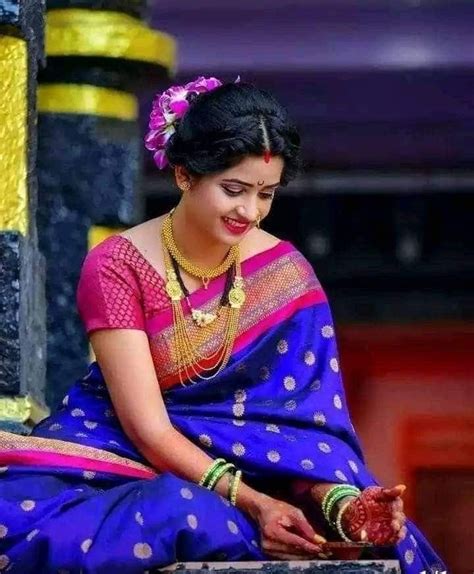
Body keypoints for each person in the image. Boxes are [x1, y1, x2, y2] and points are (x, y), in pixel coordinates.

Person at [0, 77, 446, 574]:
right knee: (161, 515)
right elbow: (146, 427)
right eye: (233, 189)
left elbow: (305, 435)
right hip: (120, 456)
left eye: (266, 194)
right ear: (185, 174)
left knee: (392, 545)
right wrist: (253, 502)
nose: (249, 211)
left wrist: (343, 505)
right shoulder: (117, 266)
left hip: (267, 483)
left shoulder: (287, 275)